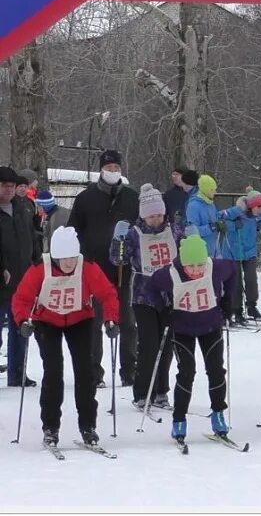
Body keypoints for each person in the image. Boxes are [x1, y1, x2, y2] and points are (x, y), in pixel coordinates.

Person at [11, 226, 120, 447]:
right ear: (54, 256)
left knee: (85, 372)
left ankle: (88, 426)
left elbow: (107, 294)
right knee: (53, 371)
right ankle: (50, 427)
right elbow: (21, 298)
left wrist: (111, 319)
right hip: (46, 321)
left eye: (73, 257)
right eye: (64, 258)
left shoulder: (87, 267)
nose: (69, 263)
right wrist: (23, 321)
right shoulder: (40, 269)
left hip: (80, 319)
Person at [147, 234, 237, 442]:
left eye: (200, 265)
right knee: (186, 372)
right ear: (182, 263)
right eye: (191, 267)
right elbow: (151, 286)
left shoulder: (215, 267)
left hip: (211, 326)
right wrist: (163, 310)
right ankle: (179, 420)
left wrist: (227, 299)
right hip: (182, 329)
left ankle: (218, 414)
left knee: (216, 370)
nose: (197, 271)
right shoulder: (170, 274)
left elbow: (232, 270)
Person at [67, 149, 139, 388]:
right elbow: (73, 231)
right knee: (94, 321)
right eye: (108, 168)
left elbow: (140, 230)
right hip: (94, 269)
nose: (112, 172)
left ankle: (129, 369)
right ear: (101, 170)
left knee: (127, 321)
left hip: (123, 268)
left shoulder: (131, 197)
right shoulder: (85, 198)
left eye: (116, 168)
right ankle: (93, 372)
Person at [110, 184, 183, 410]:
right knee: (149, 345)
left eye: (159, 215)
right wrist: (118, 241)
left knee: (167, 346)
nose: (156, 219)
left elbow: (190, 257)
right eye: (151, 216)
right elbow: (118, 260)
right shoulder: (134, 233)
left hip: (171, 295)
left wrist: (194, 241)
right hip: (144, 296)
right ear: (143, 215)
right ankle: (142, 392)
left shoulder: (174, 231)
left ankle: (162, 391)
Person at [0, 166, 41, 387]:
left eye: (12, 186)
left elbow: (33, 239)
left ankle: (17, 374)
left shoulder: (24, 208)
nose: (8, 190)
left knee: (20, 329)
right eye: (4, 186)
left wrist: (37, 266)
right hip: (2, 281)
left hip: (23, 280)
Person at [219, 187, 261, 324]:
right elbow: (219, 218)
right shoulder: (237, 211)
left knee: (251, 280)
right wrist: (232, 225)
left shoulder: (258, 214)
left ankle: (251, 306)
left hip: (250, 251)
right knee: (236, 282)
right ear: (251, 206)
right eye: (258, 208)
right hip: (233, 252)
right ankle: (236, 310)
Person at [185, 174, 222, 258]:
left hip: (215, 250)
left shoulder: (210, 204)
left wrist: (221, 222)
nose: (215, 192)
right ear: (206, 190)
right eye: (212, 190)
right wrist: (211, 227)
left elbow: (215, 218)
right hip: (202, 253)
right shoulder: (193, 206)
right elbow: (191, 232)